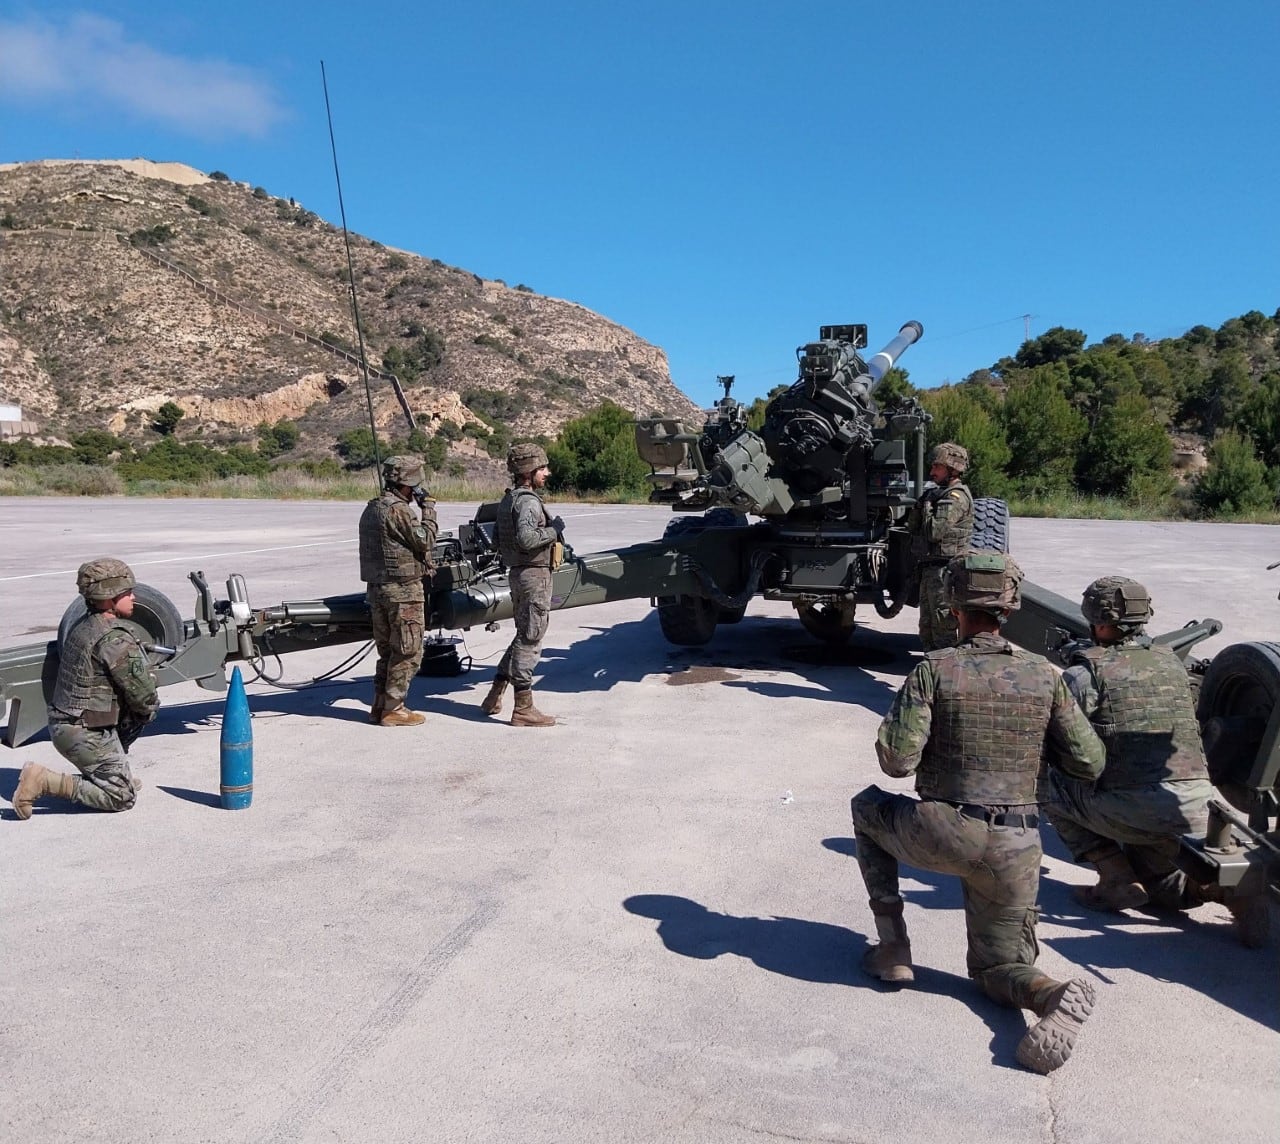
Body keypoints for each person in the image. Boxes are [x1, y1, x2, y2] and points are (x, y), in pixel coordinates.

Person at [849, 551, 1107, 1074]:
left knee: (866, 810)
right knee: (998, 969)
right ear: (1010, 608)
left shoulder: (934, 670)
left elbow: (897, 763)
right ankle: (1049, 994)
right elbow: (1090, 762)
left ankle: (894, 948)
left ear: (953, 606)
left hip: (944, 830)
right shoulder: (1044, 675)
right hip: (1017, 845)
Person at [1046, 576, 1267, 946]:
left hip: (1132, 806)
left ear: (1098, 621)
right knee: (1165, 893)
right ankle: (1224, 893)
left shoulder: (1083, 675)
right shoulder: (1172, 664)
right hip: (1198, 805)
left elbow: (1060, 738)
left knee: (1046, 784)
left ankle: (1113, 875)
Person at [12, 558, 159, 819]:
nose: (133, 597)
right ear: (108, 598)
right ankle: (43, 780)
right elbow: (143, 694)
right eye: (126, 593)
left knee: (133, 715)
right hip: (81, 730)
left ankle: (114, 774)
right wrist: (147, 707)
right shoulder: (114, 638)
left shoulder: (86, 626)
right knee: (122, 798)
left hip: (67, 723)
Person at [479, 442, 565, 727]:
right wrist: (555, 530)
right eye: (543, 469)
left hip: (518, 574)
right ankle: (524, 709)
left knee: (522, 636)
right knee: (531, 638)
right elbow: (528, 539)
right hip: (533, 576)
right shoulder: (528, 501)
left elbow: (496, 540)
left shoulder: (508, 500)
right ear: (529, 471)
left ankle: (495, 694)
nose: (547, 473)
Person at [358, 454, 437, 727]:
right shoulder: (399, 511)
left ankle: (379, 705)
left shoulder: (372, 508)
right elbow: (425, 541)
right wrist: (429, 510)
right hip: (403, 592)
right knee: (408, 652)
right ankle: (395, 708)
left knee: (387, 651)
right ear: (409, 485)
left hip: (378, 591)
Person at [906, 442, 974, 651]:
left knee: (943, 628)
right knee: (927, 628)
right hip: (931, 570)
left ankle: (946, 677)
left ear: (952, 469)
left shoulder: (955, 497)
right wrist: (922, 504)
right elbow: (912, 527)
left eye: (937, 467)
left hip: (945, 571)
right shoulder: (938, 495)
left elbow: (936, 532)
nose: (931, 471)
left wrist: (926, 506)